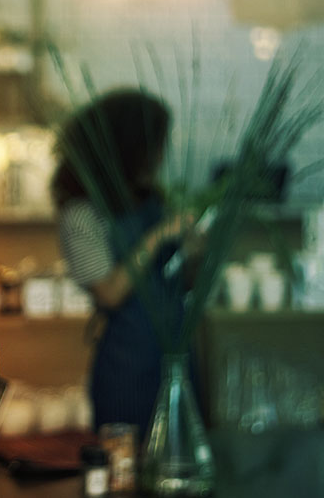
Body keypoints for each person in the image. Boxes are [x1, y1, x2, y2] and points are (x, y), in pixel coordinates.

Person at [52, 89, 194, 438]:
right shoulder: (82, 213)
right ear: (131, 148)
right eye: (157, 144)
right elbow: (109, 292)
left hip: (177, 358)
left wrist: (194, 247)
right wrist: (159, 236)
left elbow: (184, 282)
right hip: (128, 367)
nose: (162, 155)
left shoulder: (153, 200)